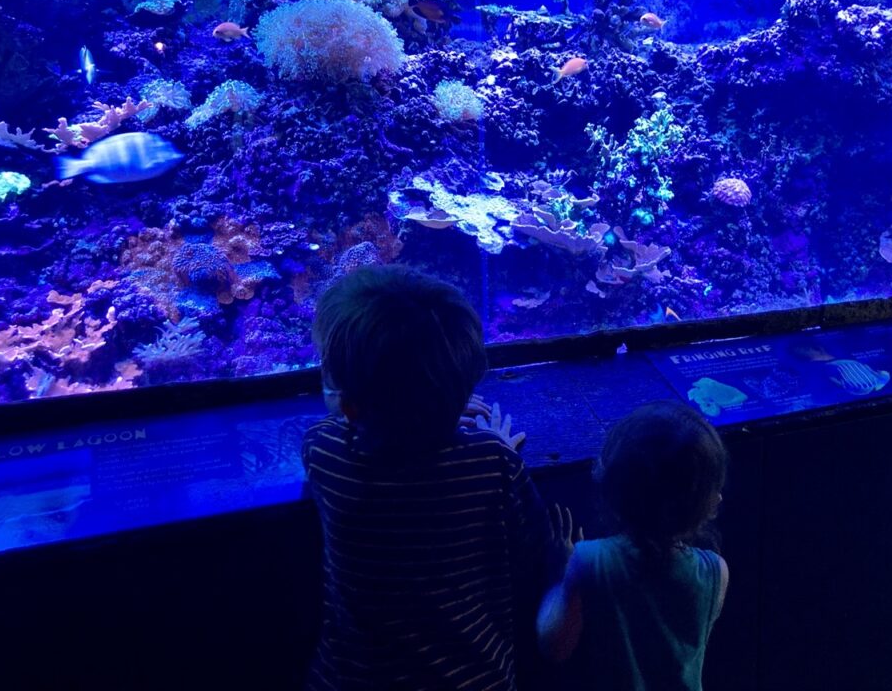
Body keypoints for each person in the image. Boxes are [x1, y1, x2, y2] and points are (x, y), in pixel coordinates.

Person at [303, 265, 561, 691]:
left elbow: (342, 420)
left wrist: (407, 411)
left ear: (347, 404)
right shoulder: (493, 463)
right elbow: (533, 547)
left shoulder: (325, 452)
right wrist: (479, 437)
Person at [537, 400, 729, 691]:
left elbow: (553, 644)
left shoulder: (589, 560)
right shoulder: (716, 571)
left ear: (610, 489)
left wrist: (560, 576)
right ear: (711, 503)